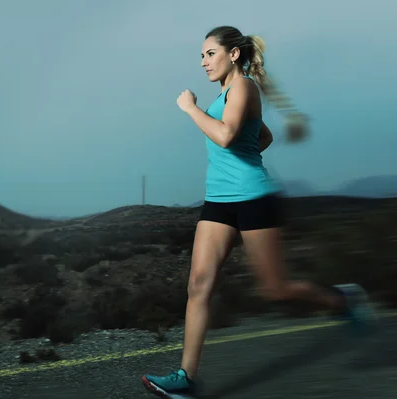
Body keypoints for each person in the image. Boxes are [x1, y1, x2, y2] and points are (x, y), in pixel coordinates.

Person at [140, 25, 376, 399]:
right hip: (218, 200)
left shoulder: (243, 87)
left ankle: (342, 300)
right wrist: (239, 147)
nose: (203, 62)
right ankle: (187, 378)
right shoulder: (226, 94)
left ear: (233, 54)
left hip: (253, 199)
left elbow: (225, 136)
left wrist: (190, 109)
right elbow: (260, 136)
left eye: (209, 53)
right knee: (198, 285)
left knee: (275, 290)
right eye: (200, 56)